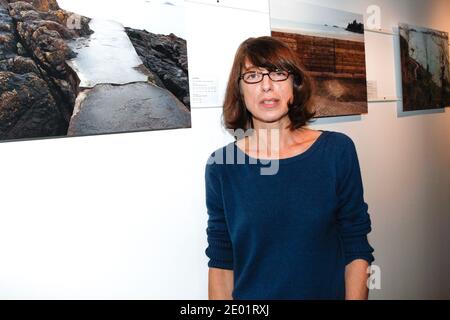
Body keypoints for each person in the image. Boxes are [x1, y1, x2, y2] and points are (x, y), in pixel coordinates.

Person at [204, 36, 374, 300]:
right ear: (239, 91)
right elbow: (221, 261)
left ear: (294, 85)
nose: (267, 86)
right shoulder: (222, 166)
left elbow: (356, 246)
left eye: (278, 74)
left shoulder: (336, 151)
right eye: (252, 76)